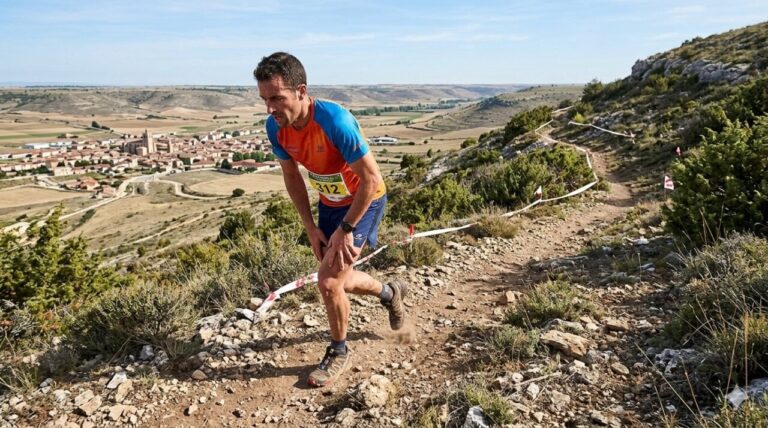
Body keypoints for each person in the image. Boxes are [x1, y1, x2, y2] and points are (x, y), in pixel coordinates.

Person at [254, 52, 408, 387]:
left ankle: (339, 350)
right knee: (340, 277)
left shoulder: (334, 122)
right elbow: (292, 176)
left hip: (364, 201)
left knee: (328, 282)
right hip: (331, 203)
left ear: (301, 91)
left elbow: (370, 180)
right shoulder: (275, 128)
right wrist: (310, 227)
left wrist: (346, 229)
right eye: (265, 99)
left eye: (277, 98)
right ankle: (389, 293)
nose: (270, 109)